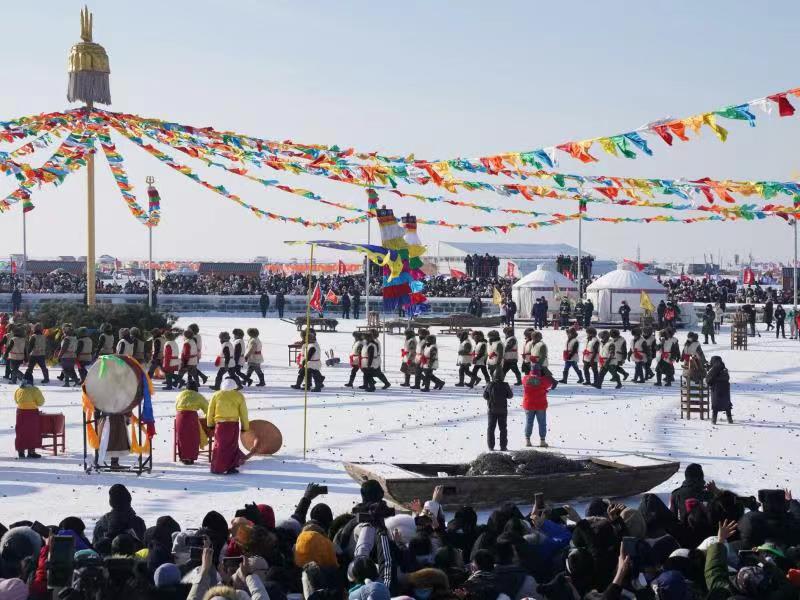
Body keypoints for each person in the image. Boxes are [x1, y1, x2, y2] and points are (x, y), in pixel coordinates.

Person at [207, 377, 251, 474]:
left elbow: (210, 411)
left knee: (219, 446)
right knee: (232, 446)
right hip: (233, 424)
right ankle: (231, 467)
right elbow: (244, 413)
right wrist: (245, 427)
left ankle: (217, 468)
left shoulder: (216, 395)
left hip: (220, 425)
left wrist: (210, 424)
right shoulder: (239, 396)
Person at [175, 381, 209, 465]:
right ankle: (190, 458)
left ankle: (183, 457)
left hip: (180, 416)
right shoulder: (198, 396)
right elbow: (208, 409)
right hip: (191, 417)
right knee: (193, 438)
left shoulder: (180, 394)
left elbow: (176, 406)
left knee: (182, 437)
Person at [521, 364, 551, 448]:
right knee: (542, 423)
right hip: (540, 405)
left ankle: (527, 440)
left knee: (529, 422)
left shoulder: (525, 378)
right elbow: (550, 383)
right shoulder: (543, 380)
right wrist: (545, 373)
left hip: (528, 404)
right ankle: (542, 441)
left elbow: (524, 380)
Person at [14, 379, 44, 459]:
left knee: (21, 432)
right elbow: (41, 402)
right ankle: (31, 451)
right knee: (32, 432)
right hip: (32, 413)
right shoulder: (35, 390)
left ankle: (21, 451)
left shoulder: (19, 389)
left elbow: (16, 401)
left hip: (20, 412)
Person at [706, 356, 732, 425]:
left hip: (716, 391)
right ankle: (730, 419)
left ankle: (714, 420)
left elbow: (708, 380)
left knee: (716, 406)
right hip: (725, 392)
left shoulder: (714, 370)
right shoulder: (724, 369)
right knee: (727, 406)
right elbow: (727, 378)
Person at [58, 323, 80, 388]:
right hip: (73, 356)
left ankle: (75, 380)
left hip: (66, 356)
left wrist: (59, 356)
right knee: (71, 369)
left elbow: (63, 349)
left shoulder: (67, 339)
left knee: (65, 370)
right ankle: (68, 382)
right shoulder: (75, 338)